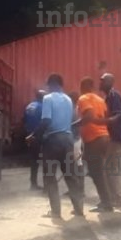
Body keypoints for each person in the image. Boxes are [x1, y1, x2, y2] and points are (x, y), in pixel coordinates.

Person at [27, 74, 83, 219]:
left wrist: (33, 136)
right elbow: (70, 120)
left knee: (50, 176)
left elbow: (46, 120)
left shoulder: (48, 98)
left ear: (50, 84)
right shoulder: (69, 100)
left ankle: (56, 212)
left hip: (52, 141)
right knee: (71, 176)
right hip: (68, 140)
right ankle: (78, 210)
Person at [77, 78, 113, 212]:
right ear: (92, 87)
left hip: (94, 139)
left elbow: (89, 115)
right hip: (104, 137)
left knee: (96, 172)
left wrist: (75, 125)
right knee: (98, 171)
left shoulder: (83, 98)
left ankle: (106, 203)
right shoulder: (100, 100)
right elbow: (104, 117)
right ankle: (106, 201)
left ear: (82, 87)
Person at [100, 73, 121, 208]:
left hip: (115, 139)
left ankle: (119, 201)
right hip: (110, 139)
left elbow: (118, 114)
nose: (100, 82)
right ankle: (114, 200)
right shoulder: (107, 98)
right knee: (108, 170)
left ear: (110, 82)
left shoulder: (114, 96)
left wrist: (103, 122)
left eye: (103, 80)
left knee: (114, 171)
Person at [24, 90, 46, 190]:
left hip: (30, 135)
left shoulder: (29, 106)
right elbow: (44, 122)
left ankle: (33, 183)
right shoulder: (42, 107)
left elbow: (24, 120)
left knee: (34, 160)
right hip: (39, 135)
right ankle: (46, 185)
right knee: (46, 160)